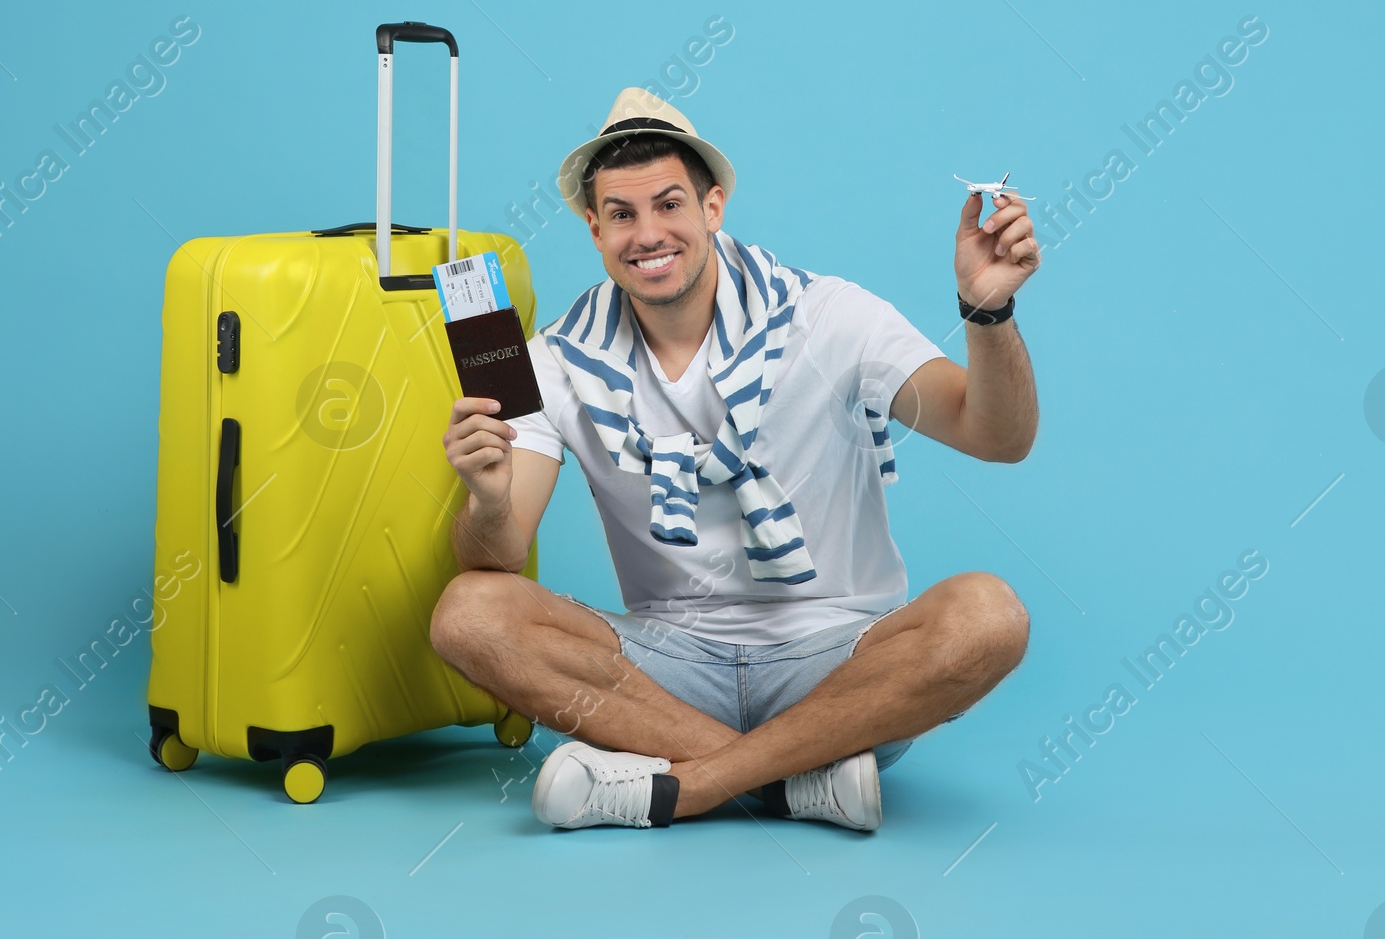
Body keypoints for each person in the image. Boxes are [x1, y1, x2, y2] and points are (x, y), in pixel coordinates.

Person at [430, 89, 1040, 833]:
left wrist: (988, 313)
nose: (648, 233)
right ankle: (791, 783)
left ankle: (690, 788)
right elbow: (497, 556)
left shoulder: (830, 315)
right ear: (593, 229)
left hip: (844, 667)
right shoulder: (555, 362)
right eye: (621, 214)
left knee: (988, 615)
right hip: (663, 678)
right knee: (468, 612)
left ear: (713, 207)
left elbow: (997, 436)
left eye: (670, 204)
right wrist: (489, 502)